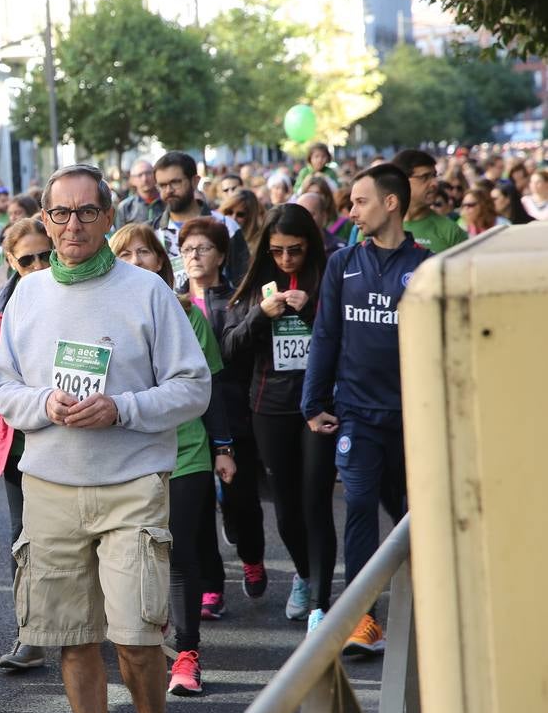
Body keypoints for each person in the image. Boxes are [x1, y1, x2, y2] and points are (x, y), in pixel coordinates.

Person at [0, 163, 210, 713]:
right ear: (45, 221)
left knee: (138, 638)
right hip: (49, 487)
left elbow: (194, 387)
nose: (74, 224)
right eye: (61, 213)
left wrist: (124, 408)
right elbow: (1, 383)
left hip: (132, 488)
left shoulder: (146, 291)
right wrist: (43, 406)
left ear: (109, 218)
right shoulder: (26, 294)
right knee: (72, 638)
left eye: (88, 212)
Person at [302, 163, 430, 656]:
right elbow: (326, 334)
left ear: (391, 203)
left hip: (412, 418)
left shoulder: (427, 265)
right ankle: (362, 619)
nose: (350, 211)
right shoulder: (342, 263)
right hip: (356, 414)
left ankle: (435, 607)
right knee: (357, 506)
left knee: (411, 517)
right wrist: (313, 401)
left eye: (359, 201)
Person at [109, 223, 234, 698]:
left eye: (147, 252)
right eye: (127, 253)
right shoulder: (103, 314)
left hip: (186, 450)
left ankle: (188, 653)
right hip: (126, 451)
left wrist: (223, 448)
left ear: (162, 262)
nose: (138, 260)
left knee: (178, 549)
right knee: (134, 551)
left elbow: (212, 386)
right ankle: (142, 632)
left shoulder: (188, 314)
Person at [222, 205, 338, 632]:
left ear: (310, 246)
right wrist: (261, 315)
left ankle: (322, 603)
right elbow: (229, 347)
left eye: (296, 251)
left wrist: (311, 312)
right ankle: (306, 575)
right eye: (278, 251)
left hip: (317, 408)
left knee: (316, 502)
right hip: (269, 408)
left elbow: (346, 339)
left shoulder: (327, 282)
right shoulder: (255, 288)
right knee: (287, 510)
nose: (287, 260)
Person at [175, 217, 267, 618]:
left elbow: (231, 352)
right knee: (195, 514)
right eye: (187, 249)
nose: (195, 256)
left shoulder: (238, 300)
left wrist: (258, 315)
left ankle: (252, 557)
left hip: (231, 413)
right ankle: (212, 586)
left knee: (240, 503)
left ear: (221, 255)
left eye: (203, 248)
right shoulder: (172, 302)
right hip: (190, 421)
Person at [0, 217, 52, 672]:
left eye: (47, 256)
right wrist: (24, 394)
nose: (39, 265)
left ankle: (93, 624)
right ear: (10, 262)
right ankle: (30, 634)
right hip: (16, 440)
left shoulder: (72, 295)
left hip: (70, 436)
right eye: (28, 259)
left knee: (79, 538)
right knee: (23, 538)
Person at [154, 152, 249, 288]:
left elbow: (242, 279)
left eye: (175, 183)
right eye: (162, 185)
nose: (168, 190)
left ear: (195, 181)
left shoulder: (226, 226)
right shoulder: (153, 232)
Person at [387, 149, 466, 253]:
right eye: (425, 177)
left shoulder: (451, 232)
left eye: (434, 176)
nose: (435, 184)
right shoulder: (377, 228)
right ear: (401, 180)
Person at [296, 193, 345, 257]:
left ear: (324, 216)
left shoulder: (340, 249)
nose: (304, 219)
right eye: (299, 215)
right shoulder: (290, 250)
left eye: (310, 214)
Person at [115, 159, 162, 228]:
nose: (145, 179)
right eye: (140, 175)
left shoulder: (167, 201)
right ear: (133, 180)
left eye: (148, 173)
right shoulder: (125, 207)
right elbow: (121, 237)